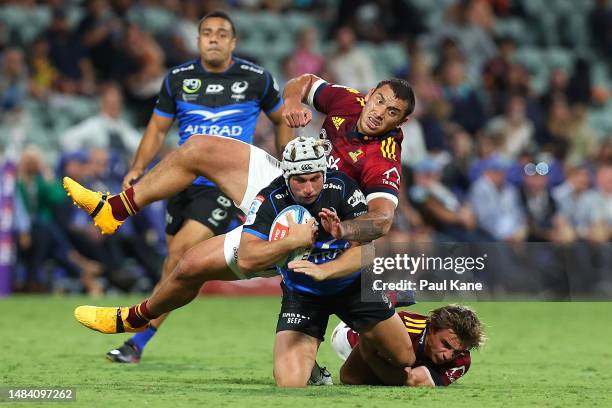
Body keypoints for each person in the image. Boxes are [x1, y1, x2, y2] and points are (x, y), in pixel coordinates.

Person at [68, 76, 415, 351]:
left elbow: (381, 220)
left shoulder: (383, 158)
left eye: (392, 112)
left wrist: (340, 231)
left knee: (189, 266)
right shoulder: (349, 101)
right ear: (370, 95)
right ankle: (113, 209)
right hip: (288, 182)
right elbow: (303, 82)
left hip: (301, 229)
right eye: (379, 101)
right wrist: (293, 102)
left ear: (402, 121)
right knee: (199, 147)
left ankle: (137, 318)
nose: (379, 112)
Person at [103, 10, 292, 363]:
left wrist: (287, 163)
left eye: (222, 33)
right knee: (174, 265)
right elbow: (157, 129)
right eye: (208, 33)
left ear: (233, 42)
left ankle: (137, 339)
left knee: (180, 256)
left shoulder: (257, 78)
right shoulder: (177, 78)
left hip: (224, 185)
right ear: (198, 40)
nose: (215, 38)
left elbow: (282, 119)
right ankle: (145, 329)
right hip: (181, 180)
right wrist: (137, 169)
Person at [331, 304, 485, 387]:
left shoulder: (462, 361)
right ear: (432, 328)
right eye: (445, 344)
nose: (448, 356)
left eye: (456, 352)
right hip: (351, 334)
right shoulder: (406, 326)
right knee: (405, 359)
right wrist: (371, 358)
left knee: (405, 361)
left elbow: (413, 381)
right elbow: (349, 376)